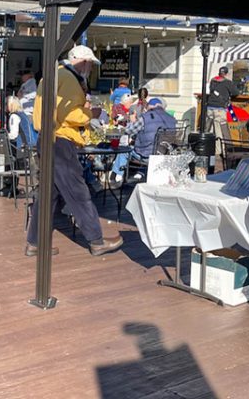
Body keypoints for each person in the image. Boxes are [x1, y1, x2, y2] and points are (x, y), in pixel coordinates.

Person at [26, 45, 123, 257]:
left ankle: (35, 242)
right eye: (90, 64)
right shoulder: (69, 78)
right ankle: (96, 241)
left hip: (47, 138)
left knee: (48, 196)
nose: (90, 68)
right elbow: (68, 113)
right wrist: (91, 112)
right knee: (78, 192)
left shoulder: (51, 77)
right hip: (60, 140)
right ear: (84, 61)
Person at [110, 97, 176, 181]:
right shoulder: (171, 118)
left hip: (148, 155)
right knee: (143, 146)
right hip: (165, 154)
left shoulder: (145, 117)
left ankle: (117, 177)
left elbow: (128, 130)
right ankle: (141, 173)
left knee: (124, 151)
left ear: (149, 106)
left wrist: (132, 121)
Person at [205, 66, 239, 152]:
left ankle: (207, 148)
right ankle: (219, 151)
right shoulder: (228, 82)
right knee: (219, 130)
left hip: (210, 107)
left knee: (208, 129)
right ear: (226, 74)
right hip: (220, 108)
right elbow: (235, 93)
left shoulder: (213, 81)